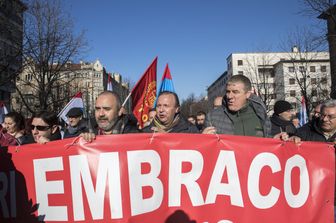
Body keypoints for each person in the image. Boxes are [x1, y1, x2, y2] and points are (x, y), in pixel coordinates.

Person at [294, 99, 336, 219]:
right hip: (314, 196)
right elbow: (294, 143)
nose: (325, 119)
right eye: (323, 115)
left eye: (330, 117)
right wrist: (292, 139)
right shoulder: (307, 131)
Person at [203, 75, 271, 137]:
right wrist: (203, 139)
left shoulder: (260, 114)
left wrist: (277, 139)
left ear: (247, 94)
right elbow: (206, 147)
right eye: (228, 91)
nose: (229, 96)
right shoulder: (212, 117)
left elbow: (268, 141)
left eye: (235, 92)